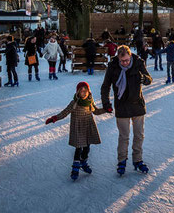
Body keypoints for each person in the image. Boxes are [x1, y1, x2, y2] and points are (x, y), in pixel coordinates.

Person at [101, 45, 153, 176]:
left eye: (127, 60)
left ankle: (137, 160)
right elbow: (105, 86)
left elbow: (149, 79)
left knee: (139, 135)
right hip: (122, 105)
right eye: (122, 61)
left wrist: (144, 79)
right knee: (124, 136)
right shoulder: (113, 66)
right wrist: (106, 103)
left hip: (137, 104)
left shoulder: (138, 63)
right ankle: (122, 161)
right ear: (118, 58)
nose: (125, 63)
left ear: (130, 56)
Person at [45, 82, 106, 180]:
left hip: (88, 127)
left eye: (85, 91)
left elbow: (96, 111)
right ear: (78, 92)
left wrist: (106, 109)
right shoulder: (74, 103)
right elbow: (64, 112)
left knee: (87, 148)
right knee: (79, 148)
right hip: (78, 128)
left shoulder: (90, 101)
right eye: (81, 91)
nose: (84, 93)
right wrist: (54, 118)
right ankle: (75, 168)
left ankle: (83, 162)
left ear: (88, 91)